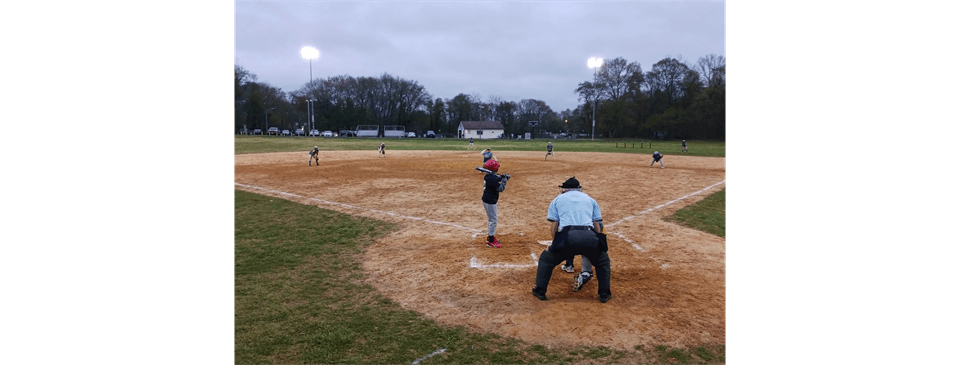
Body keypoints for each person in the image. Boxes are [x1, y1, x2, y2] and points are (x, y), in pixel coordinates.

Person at [532, 177, 611, 303]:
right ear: (579, 188)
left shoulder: (557, 200)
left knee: (546, 259)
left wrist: (555, 244)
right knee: (603, 262)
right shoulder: (590, 199)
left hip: (568, 236)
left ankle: (540, 291)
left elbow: (554, 225)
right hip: (589, 236)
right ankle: (604, 294)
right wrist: (599, 241)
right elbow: (597, 224)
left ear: (564, 189)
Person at [480, 159, 510, 248]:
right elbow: (500, 188)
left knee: (492, 219)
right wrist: (504, 180)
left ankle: (490, 237)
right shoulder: (491, 178)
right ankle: (491, 240)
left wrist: (502, 177)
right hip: (490, 201)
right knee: (493, 220)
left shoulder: (490, 176)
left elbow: (496, 178)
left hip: (489, 199)